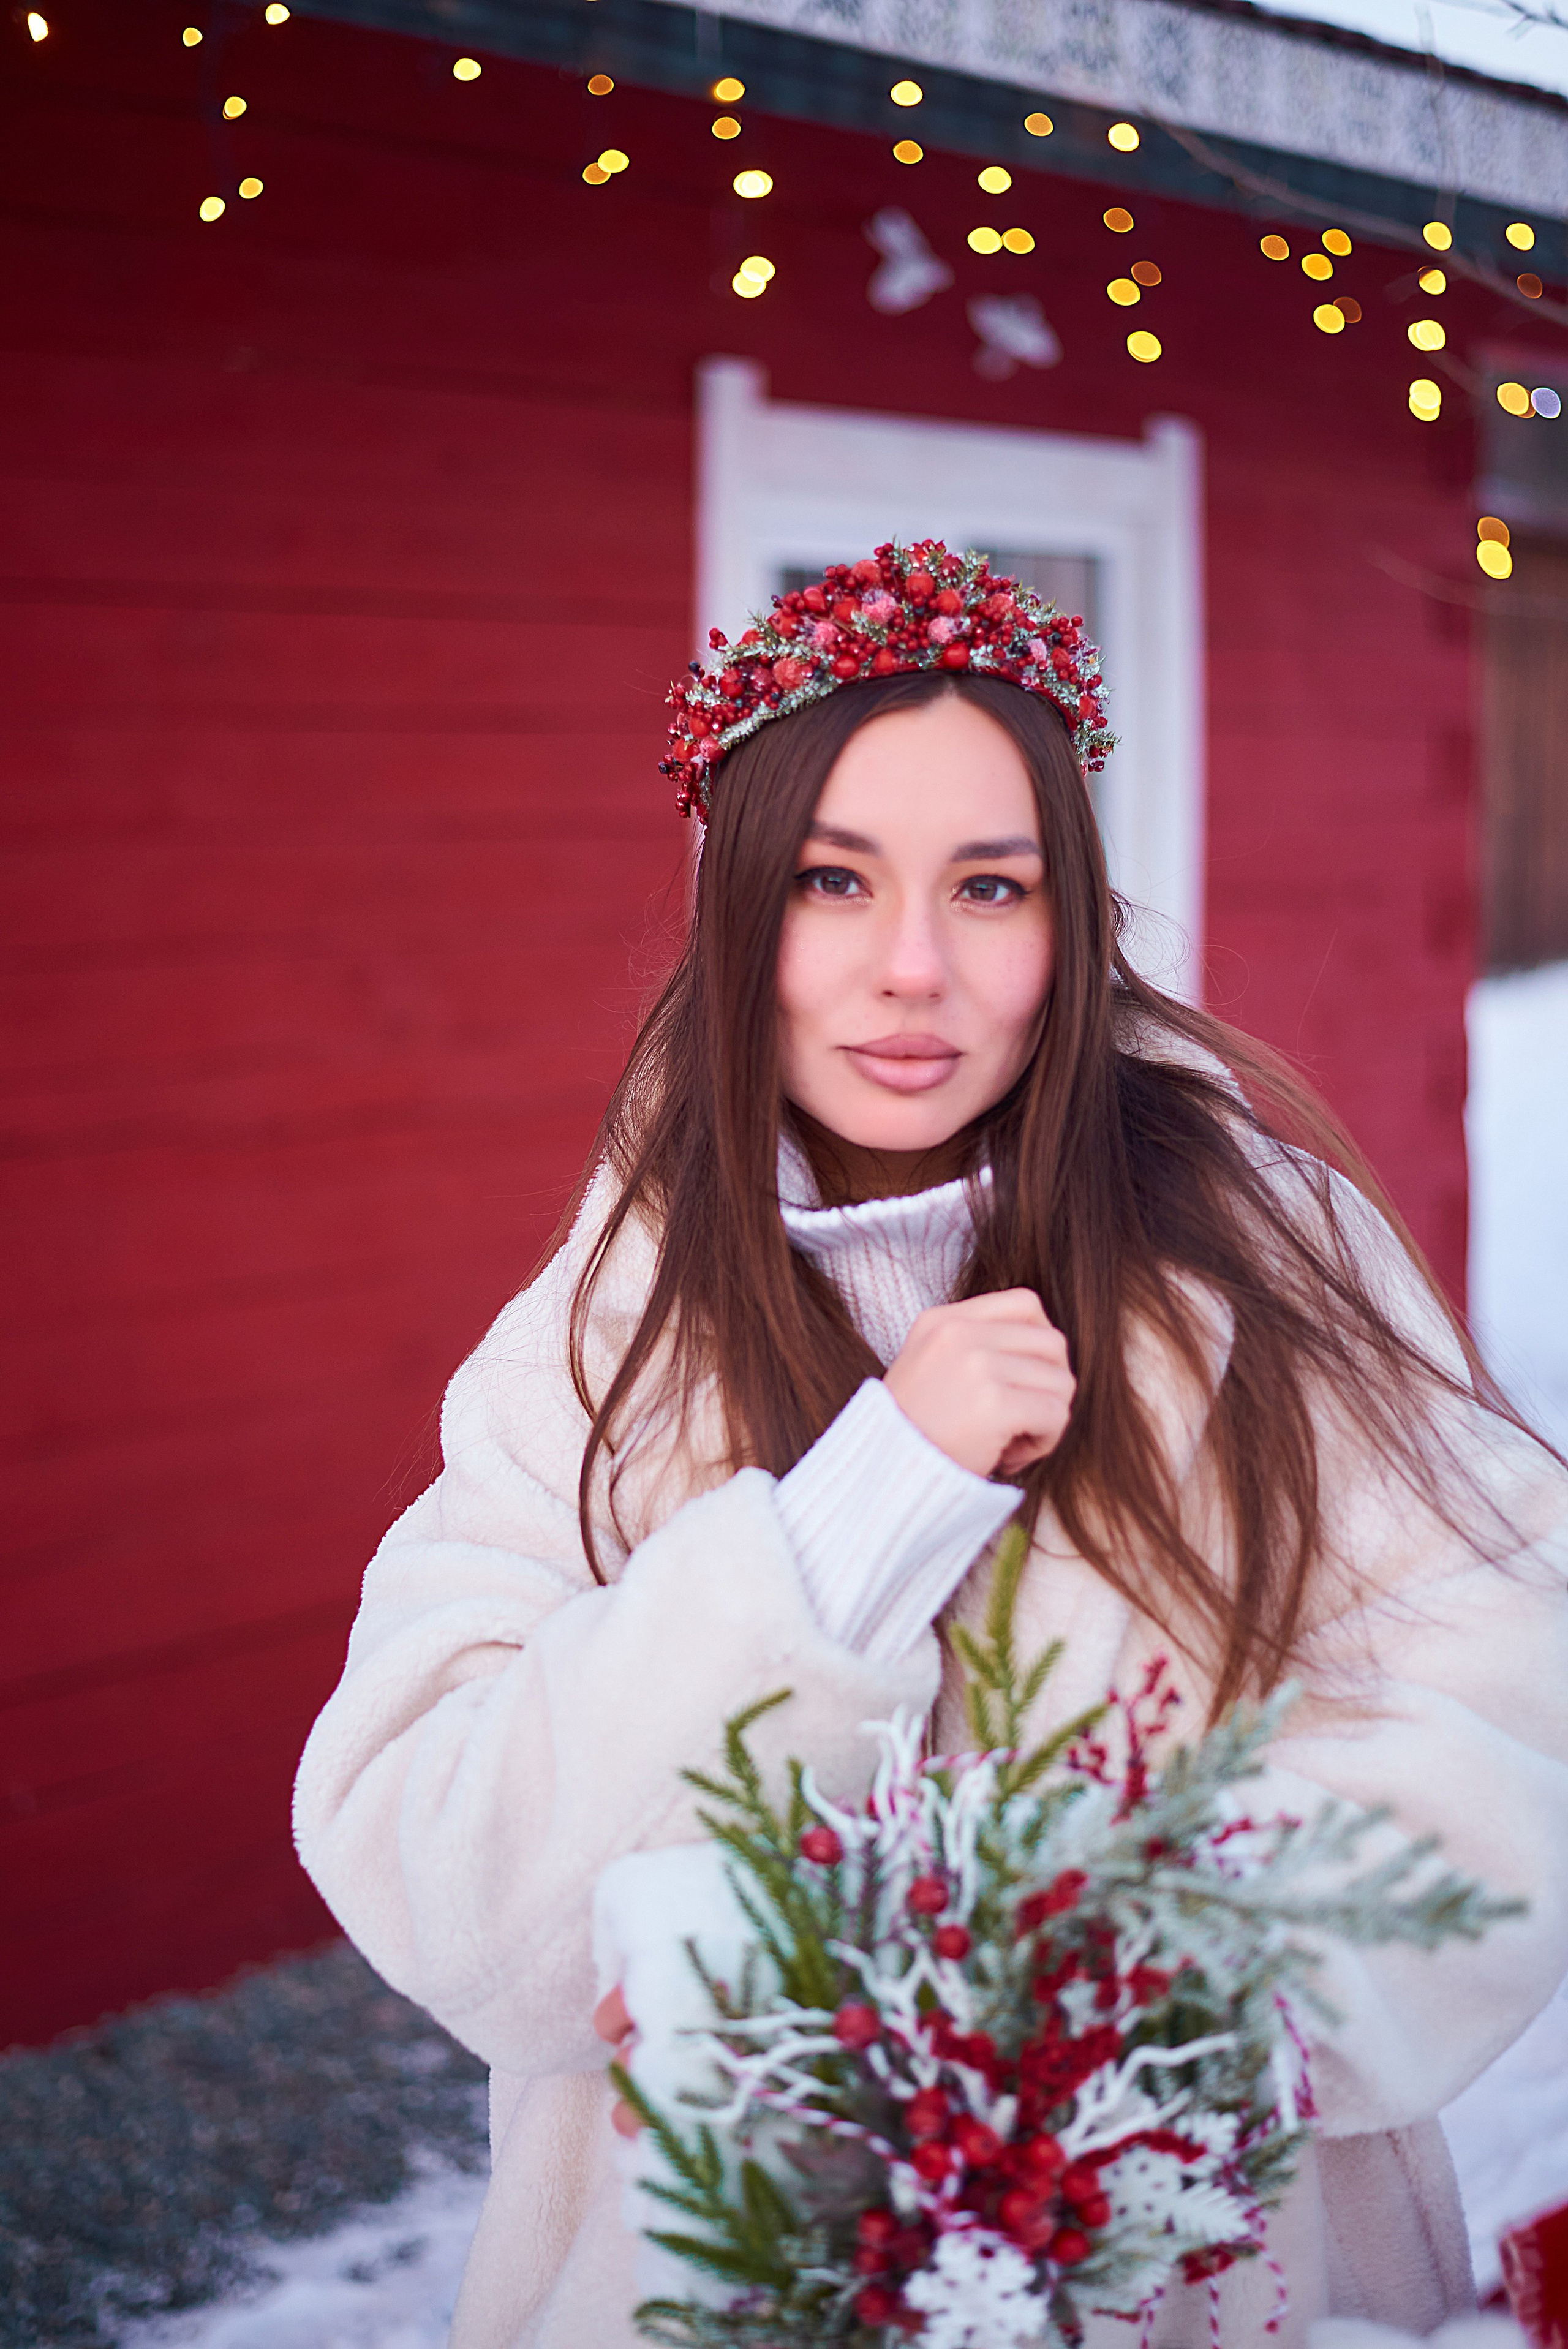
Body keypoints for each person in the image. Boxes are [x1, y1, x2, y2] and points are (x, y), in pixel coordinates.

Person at [293, 544, 1568, 2349]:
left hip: (1217, 2281)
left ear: (1070, 921)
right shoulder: (603, 1333)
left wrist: (1088, 2004)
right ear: (744, 911)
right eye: (836, 881)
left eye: (988, 885)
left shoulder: (1263, 1258)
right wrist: (869, 1506)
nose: (914, 969)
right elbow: (437, 1860)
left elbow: (1508, 1708)